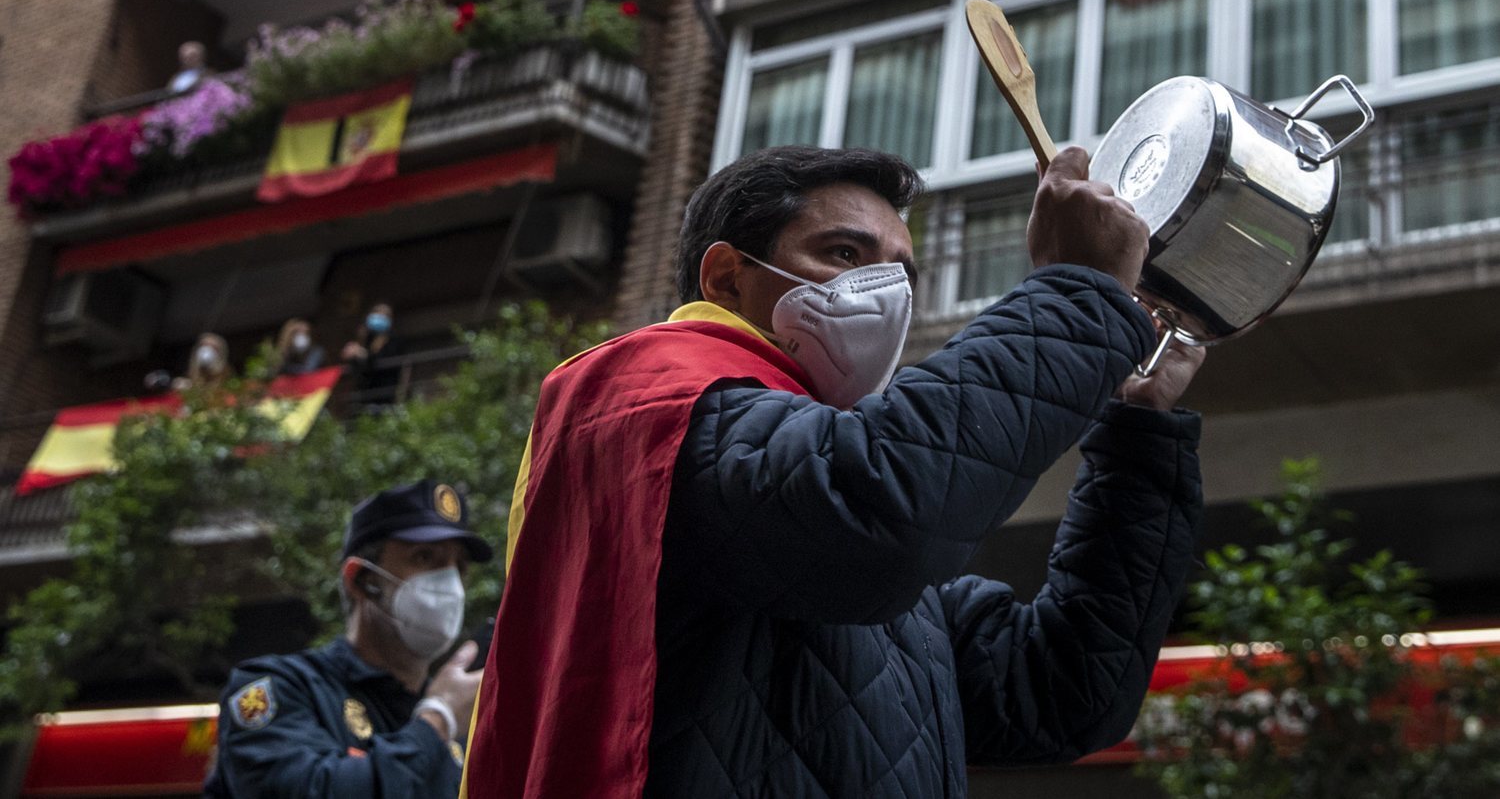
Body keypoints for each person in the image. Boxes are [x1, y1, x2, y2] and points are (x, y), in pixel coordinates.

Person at [463, 144, 1207, 797]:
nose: (884, 294)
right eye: (845, 255)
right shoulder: (652, 396)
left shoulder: (818, 467)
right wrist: (1078, 291)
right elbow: (877, 504)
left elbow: (1058, 694)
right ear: (724, 278)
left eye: (900, 272)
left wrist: (1137, 432)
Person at [204, 480, 493, 797]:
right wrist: (438, 718)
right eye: (424, 558)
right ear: (361, 580)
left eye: (459, 566)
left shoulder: (464, 725)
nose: (450, 583)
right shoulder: (284, 689)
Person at [341, 302, 399, 404]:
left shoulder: (393, 339)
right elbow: (361, 364)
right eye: (377, 314)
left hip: (382, 389)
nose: (379, 317)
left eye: (383, 315)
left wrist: (361, 352)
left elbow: (380, 360)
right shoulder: (367, 338)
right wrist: (352, 355)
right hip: (364, 389)